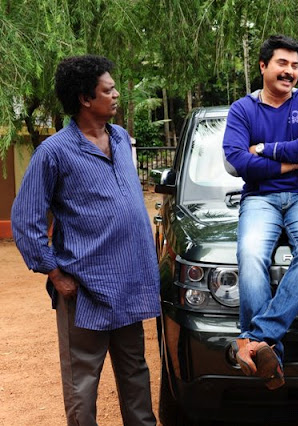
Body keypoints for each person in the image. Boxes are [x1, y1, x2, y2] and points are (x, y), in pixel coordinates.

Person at [11, 55, 159, 425]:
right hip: (84, 290)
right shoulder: (54, 152)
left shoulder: (120, 139)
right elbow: (25, 219)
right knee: (82, 384)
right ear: (85, 99)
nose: (117, 94)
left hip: (128, 285)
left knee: (135, 374)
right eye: (108, 90)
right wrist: (54, 273)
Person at [222, 35, 298, 390]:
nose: (290, 72)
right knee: (251, 253)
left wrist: (264, 149)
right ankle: (270, 356)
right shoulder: (242, 109)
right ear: (263, 66)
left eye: (295, 66)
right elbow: (237, 161)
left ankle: (256, 339)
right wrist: (291, 162)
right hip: (259, 198)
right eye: (282, 63)